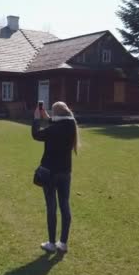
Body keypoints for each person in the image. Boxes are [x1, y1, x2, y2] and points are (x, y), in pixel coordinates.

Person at [32, 101, 79, 253]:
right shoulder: (71, 125)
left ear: (57, 114)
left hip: (50, 172)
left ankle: (52, 243)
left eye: (52, 112)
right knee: (65, 206)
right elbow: (58, 123)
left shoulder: (54, 129)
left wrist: (36, 119)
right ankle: (63, 243)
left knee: (51, 207)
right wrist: (47, 118)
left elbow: (36, 135)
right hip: (65, 172)